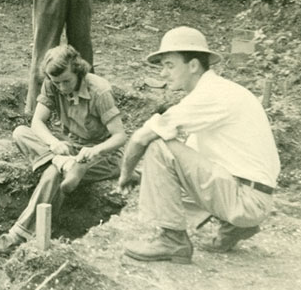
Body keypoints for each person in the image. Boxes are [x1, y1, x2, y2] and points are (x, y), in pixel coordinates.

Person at [117, 27, 280, 263]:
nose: (163, 73)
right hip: (255, 196)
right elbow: (191, 163)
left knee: (158, 146)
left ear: (193, 65)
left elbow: (140, 138)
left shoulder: (209, 96)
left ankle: (173, 241)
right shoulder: (222, 90)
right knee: (179, 153)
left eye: (169, 65)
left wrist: (126, 174)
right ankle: (234, 227)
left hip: (247, 200)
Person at [0, 45, 127, 254]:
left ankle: (18, 236)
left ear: (78, 72)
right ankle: (66, 164)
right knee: (20, 132)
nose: (61, 88)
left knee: (53, 174)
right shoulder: (52, 84)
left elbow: (120, 137)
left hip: (101, 154)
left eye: (66, 82)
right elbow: (37, 123)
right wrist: (53, 144)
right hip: (70, 146)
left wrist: (94, 152)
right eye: (56, 83)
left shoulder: (99, 90)